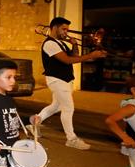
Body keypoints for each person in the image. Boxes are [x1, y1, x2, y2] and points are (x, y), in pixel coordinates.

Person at [34, 16, 107, 150]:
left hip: (65, 79)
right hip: (57, 80)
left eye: (67, 29)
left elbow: (75, 57)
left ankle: (35, 122)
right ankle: (71, 139)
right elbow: (67, 60)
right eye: (64, 29)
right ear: (54, 28)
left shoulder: (60, 43)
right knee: (68, 108)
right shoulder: (50, 43)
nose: (66, 32)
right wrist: (91, 55)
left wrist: (74, 44)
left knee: (56, 106)